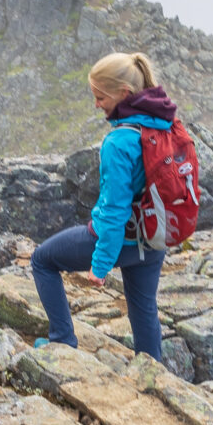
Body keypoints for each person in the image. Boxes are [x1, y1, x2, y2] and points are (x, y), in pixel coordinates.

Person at [30, 51, 177, 361]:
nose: (96, 104)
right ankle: (152, 373)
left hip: (121, 239)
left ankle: (62, 340)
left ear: (123, 94)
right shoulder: (165, 124)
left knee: (43, 260)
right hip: (154, 238)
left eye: (100, 97)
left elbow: (114, 210)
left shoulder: (118, 142)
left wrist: (101, 264)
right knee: (143, 307)